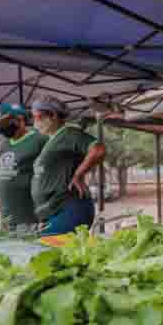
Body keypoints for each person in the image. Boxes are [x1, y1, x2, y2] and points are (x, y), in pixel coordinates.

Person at [30, 95, 106, 236]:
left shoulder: (69, 134)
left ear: (52, 115)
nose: (35, 122)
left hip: (68, 207)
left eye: (37, 117)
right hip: (56, 210)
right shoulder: (53, 139)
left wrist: (78, 175)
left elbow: (98, 150)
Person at [0, 103, 47, 230]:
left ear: (20, 119)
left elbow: (51, 172)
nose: (2, 127)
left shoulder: (39, 140)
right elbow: (3, 173)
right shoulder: (5, 145)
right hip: (6, 216)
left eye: (5, 122)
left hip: (29, 215)